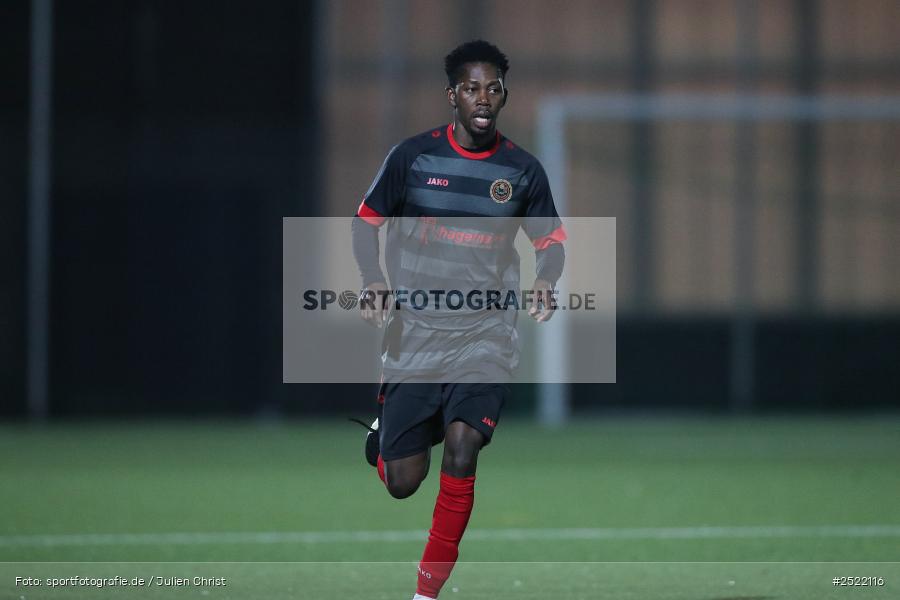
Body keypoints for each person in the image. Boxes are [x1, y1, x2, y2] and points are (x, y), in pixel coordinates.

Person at [350, 40, 565, 600]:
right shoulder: (411, 158)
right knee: (403, 483)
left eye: (493, 87)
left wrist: (546, 278)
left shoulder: (522, 170)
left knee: (464, 446)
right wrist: (374, 281)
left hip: (485, 335)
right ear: (452, 96)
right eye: (472, 87)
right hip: (417, 335)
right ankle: (385, 432)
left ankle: (425, 596)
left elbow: (552, 242)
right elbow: (365, 222)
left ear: (504, 94)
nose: (483, 98)